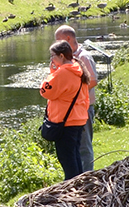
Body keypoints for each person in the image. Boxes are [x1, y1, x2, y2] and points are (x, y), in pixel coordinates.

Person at [39, 40, 90, 179]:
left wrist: (51, 73)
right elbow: (85, 97)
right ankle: (80, 184)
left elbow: (45, 91)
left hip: (65, 121)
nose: (52, 59)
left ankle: (72, 188)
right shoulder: (78, 68)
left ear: (61, 56)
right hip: (78, 118)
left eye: (53, 56)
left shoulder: (62, 73)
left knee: (67, 159)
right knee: (74, 155)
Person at [55, 24, 98, 171]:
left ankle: (88, 179)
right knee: (74, 148)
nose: (56, 43)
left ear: (68, 39)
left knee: (84, 147)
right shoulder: (67, 58)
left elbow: (93, 80)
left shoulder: (83, 57)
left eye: (58, 40)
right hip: (73, 111)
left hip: (84, 109)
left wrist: (73, 91)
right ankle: (78, 179)